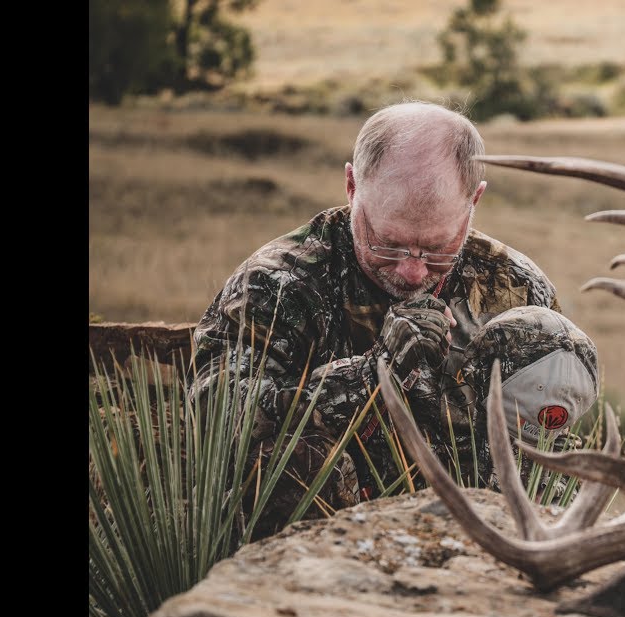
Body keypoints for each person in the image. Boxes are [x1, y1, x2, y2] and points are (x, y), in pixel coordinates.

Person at [187, 100, 599, 541]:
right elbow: (216, 415)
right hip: (325, 546)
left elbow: (547, 439)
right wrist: (374, 374)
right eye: (388, 244)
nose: (413, 271)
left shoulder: (515, 286)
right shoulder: (279, 283)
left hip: (480, 536)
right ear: (351, 186)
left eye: (438, 248)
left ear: (474, 199)